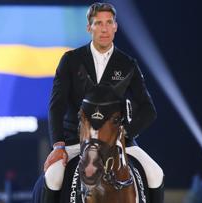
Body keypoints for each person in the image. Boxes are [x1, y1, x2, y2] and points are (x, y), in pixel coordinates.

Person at [42, 2, 164, 202]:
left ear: (116, 26)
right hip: (76, 141)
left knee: (156, 174)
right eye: (98, 23)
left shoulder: (127, 64)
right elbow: (56, 106)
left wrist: (124, 134)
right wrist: (58, 146)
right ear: (89, 27)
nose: (104, 28)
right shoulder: (71, 60)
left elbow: (149, 109)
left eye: (109, 22)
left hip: (117, 142)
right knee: (53, 177)